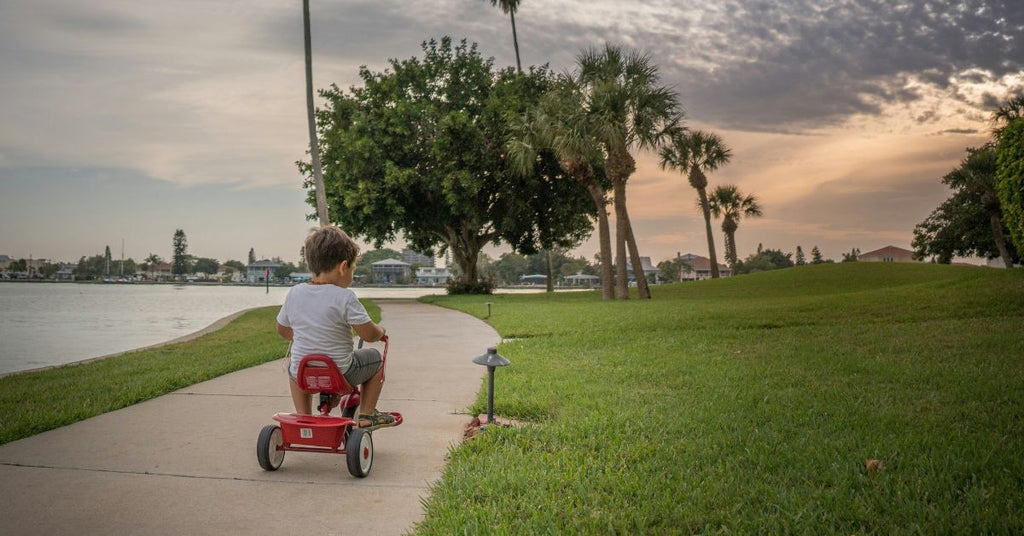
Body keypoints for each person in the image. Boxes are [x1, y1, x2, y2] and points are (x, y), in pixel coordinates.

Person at [275, 225, 396, 429]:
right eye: (353, 269)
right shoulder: (345, 297)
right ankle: (367, 414)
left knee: (292, 368)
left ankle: (304, 417)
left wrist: (306, 333)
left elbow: (283, 331)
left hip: (304, 373)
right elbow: (368, 333)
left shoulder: (295, 293)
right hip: (342, 372)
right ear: (343, 267)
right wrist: (380, 331)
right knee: (375, 360)